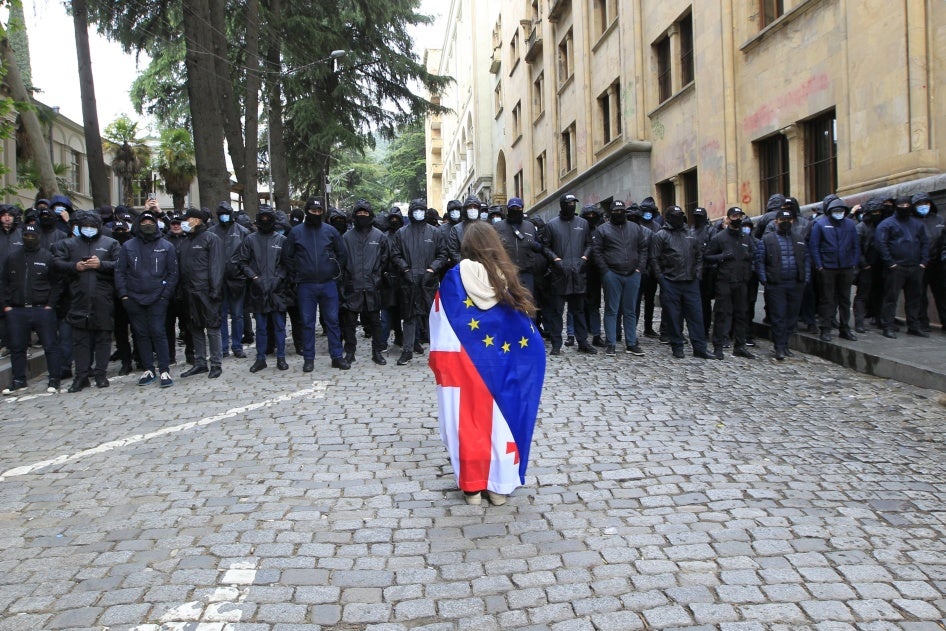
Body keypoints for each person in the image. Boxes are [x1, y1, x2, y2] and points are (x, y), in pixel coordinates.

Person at [429, 221, 545, 506]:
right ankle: (498, 487)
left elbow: (439, 322)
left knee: (466, 423)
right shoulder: (505, 279)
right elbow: (521, 330)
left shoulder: (453, 279)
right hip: (500, 369)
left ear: (465, 246)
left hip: (463, 368)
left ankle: (472, 489)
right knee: (500, 424)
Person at [51, 210, 121, 392]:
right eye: (85, 227)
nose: (89, 230)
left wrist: (101, 265)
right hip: (77, 298)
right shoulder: (68, 244)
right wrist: (74, 266)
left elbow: (120, 265)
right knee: (80, 340)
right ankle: (81, 376)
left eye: (92, 227)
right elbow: (56, 263)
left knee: (103, 338)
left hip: (102, 298)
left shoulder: (110, 243)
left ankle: (101, 374)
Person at [285, 197, 350, 371]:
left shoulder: (330, 231)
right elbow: (287, 257)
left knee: (332, 321)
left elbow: (342, 254)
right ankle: (309, 358)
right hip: (306, 285)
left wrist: (335, 272)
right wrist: (295, 275)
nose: (316, 213)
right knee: (307, 322)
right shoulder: (296, 232)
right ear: (307, 211)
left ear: (322, 212)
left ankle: (337, 356)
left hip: (328, 283)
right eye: (313, 211)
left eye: (319, 211)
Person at [115, 210, 179, 388]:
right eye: (143, 223)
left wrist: (165, 295)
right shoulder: (128, 247)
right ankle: (148, 368)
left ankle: (164, 369)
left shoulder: (166, 246)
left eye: (150, 222)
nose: (147, 225)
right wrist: (124, 295)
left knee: (159, 332)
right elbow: (120, 272)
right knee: (140, 334)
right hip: (134, 298)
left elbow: (173, 273)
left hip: (158, 298)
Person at [1, 224, 62, 394]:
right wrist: (6, 306)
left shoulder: (47, 257)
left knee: (50, 345)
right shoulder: (12, 258)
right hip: (17, 309)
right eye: (26, 235)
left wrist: (50, 304)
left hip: (42, 308)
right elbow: (3, 282)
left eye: (32, 235)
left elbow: (57, 283)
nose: (29, 238)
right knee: (17, 347)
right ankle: (19, 379)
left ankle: (54, 378)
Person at [390, 198, 448, 365]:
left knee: (432, 317)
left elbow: (442, 254)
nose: (419, 213)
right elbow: (395, 254)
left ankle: (437, 352)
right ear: (410, 212)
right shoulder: (401, 233)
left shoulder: (435, 232)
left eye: (421, 209)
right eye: (416, 210)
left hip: (428, 280)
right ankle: (407, 351)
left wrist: (432, 269)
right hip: (408, 281)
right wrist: (405, 269)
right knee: (409, 317)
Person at [540, 193, 597, 355]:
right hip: (559, 274)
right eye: (569, 202)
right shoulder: (551, 225)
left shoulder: (583, 223)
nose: (572, 205)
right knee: (557, 311)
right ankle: (557, 342)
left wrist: (584, 258)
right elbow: (545, 246)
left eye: (574, 203)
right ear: (562, 205)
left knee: (578, 310)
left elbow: (590, 244)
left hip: (578, 273)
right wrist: (556, 260)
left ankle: (582, 341)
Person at [236, 206, 291, 372]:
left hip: (277, 289)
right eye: (263, 218)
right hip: (258, 288)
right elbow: (242, 261)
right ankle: (261, 358)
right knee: (260, 327)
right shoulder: (250, 239)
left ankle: (281, 357)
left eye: (269, 218)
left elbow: (287, 263)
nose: (266, 221)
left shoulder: (281, 240)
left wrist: (279, 278)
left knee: (279, 326)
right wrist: (254, 277)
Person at [591, 199, 648, 355]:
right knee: (612, 309)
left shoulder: (636, 228)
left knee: (630, 310)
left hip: (632, 274)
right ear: (611, 213)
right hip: (612, 274)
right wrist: (605, 271)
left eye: (621, 211)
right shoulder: (602, 230)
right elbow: (597, 251)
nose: (619, 214)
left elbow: (643, 248)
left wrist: (639, 268)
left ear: (625, 212)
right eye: (615, 211)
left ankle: (631, 342)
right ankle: (611, 343)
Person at [339, 199, 390, 365]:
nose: (362, 215)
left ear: (370, 215)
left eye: (365, 213)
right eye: (359, 213)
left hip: (372, 286)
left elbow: (385, 259)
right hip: (353, 286)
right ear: (355, 216)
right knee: (350, 323)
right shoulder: (346, 237)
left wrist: (377, 277)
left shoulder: (379, 236)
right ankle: (350, 352)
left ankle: (377, 352)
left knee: (376, 322)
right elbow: (342, 261)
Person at [177, 207, 225, 378]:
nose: (184, 223)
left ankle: (216, 364)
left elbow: (217, 266)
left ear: (197, 220)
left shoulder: (211, 239)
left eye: (187, 219)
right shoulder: (185, 241)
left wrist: (215, 289)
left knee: (212, 328)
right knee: (195, 327)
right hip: (189, 291)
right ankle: (200, 362)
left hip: (206, 291)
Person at [756, 209, 810, 360]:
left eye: (789, 220)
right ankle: (779, 347)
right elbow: (760, 261)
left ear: (792, 221)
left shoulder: (799, 239)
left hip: (795, 283)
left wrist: (805, 278)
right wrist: (764, 279)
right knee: (778, 316)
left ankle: (785, 345)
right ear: (776, 222)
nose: (786, 223)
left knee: (792, 317)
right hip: (776, 284)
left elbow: (806, 259)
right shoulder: (768, 240)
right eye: (782, 220)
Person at [875, 195, 930, 338]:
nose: (905, 208)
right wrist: (891, 263)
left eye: (907, 206)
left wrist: (923, 262)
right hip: (896, 268)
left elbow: (925, 242)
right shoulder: (887, 224)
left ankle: (913, 325)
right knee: (891, 298)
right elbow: (881, 244)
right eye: (902, 206)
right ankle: (887, 326)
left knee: (914, 298)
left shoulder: (917, 224)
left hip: (915, 267)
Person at [704, 207, 755, 359]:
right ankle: (718, 346)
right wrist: (722, 257)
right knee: (721, 314)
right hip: (724, 281)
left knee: (741, 314)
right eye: (734, 216)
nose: (737, 218)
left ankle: (740, 346)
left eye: (739, 216)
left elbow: (753, 253)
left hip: (741, 280)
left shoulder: (746, 238)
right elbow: (707, 257)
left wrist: (747, 259)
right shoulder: (719, 237)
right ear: (728, 218)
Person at [809, 197, 860, 341]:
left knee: (845, 299)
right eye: (836, 211)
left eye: (841, 211)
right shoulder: (821, 224)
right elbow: (814, 246)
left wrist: (853, 263)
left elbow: (856, 245)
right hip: (828, 267)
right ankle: (825, 328)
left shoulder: (850, 225)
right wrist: (819, 265)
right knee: (827, 299)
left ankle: (845, 328)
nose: (839, 213)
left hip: (846, 266)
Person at [211, 201, 250, 358]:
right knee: (221, 315)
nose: (224, 217)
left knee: (237, 314)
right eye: (221, 215)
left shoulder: (242, 231)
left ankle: (237, 345)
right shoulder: (212, 232)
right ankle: (223, 347)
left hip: (237, 279)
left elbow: (247, 255)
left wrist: (243, 273)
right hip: (219, 279)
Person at [912, 192, 946, 332]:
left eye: (926, 203)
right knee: (920, 295)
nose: (923, 207)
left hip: (938, 263)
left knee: (942, 294)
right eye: (920, 204)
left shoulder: (939, 219)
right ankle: (922, 322)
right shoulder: (912, 221)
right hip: (920, 263)